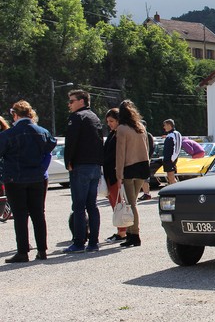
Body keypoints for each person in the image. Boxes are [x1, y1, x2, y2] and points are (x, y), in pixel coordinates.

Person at [0, 101, 57, 262]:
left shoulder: (8, 134)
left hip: (15, 178)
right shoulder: (42, 132)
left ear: (15, 114)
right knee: (38, 214)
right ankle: (42, 250)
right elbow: (50, 148)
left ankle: (23, 252)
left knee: (20, 215)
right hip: (37, 178)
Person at [63, 89, 104, 253]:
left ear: (82, 101)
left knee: (79, 207)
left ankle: (79, 242)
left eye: (72, 101)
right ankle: (93, 242)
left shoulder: (77, 117)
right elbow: (100, 142)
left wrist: (68, 162)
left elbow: (71, 142)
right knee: (92, 206)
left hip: (81, 166)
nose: (69, 104)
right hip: (94, 166)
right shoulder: (94, 117)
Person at [115, 100, 150, 248]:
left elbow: (120, 154)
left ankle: (135, 234)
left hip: (129, 168)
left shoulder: (122, 129)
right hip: (142, 166)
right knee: (132, 202)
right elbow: (148, 147)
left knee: (131, 204)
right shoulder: (140, 127)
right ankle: (130, 233)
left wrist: (119, 174)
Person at [103, 108, 127, 242]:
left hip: (115, 174)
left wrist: (120, 176)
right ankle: (121, 230)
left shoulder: (119, 134)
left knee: (118, 204)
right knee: (114, 203)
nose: (109, 124)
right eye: (108, 121)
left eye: (111, 121)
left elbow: (118, 156)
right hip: (109, 174)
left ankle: (122, 232)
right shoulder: (113, 133)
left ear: (119, 120)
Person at [138, 120, 155, 201]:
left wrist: (148, 158)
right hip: (140, 159)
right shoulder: (140, 135)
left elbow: (151, 148)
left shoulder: (148, 135)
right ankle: (145, 193)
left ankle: (147, 193)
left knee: (145, 178)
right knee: (141, 177)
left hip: (146, 159)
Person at [162, 119, 182, 185]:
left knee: (171, 177)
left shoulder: (176, 133)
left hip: (171, 159)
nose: (164, 127)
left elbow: (177, 147)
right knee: (169, 177)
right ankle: (172, 192)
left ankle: (176, 192)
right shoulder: (169, 135)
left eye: (165, 125)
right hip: (167, 159)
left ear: (169, 125)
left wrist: (172, 158)